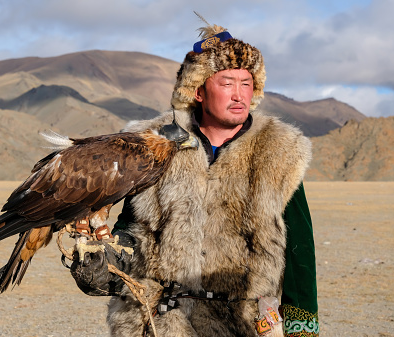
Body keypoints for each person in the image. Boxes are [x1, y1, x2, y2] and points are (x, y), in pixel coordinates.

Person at [71, 21, 319, 337]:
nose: (239, 94)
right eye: (227, 83)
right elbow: (132, 235)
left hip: (244, 322)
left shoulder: (279, 151)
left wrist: (302, 331)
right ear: (199, 90)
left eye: (246, 84)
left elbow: (300, 255)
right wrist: (101, 266)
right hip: (160, 320)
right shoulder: (155, 146)